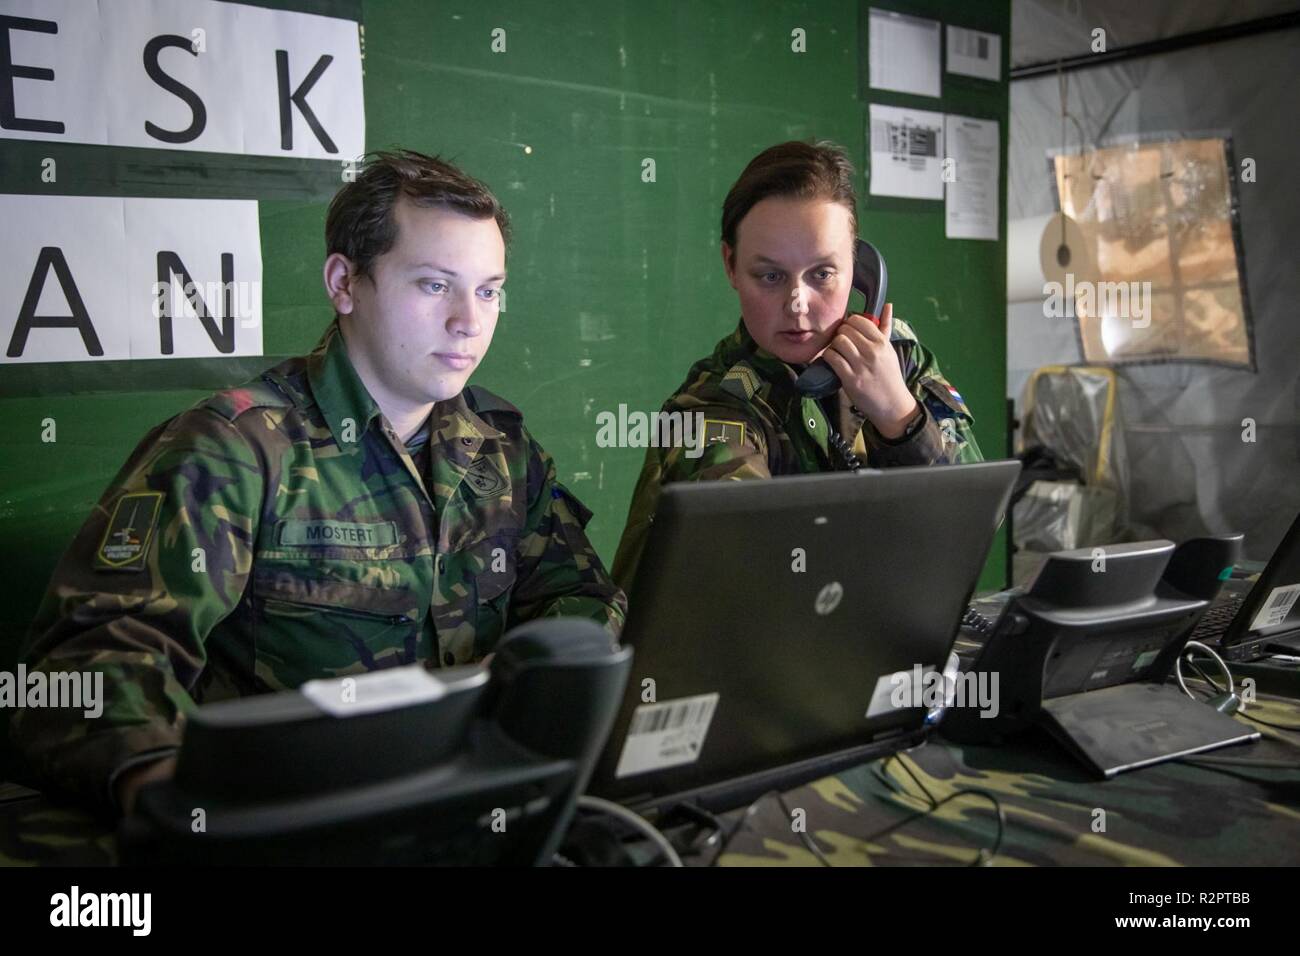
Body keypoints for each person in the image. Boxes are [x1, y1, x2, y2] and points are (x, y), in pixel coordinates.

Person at [11, 149, 626, 815]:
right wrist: (178, 800)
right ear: (344, 282)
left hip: (469, 810)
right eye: (433, 285)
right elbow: (92, 665)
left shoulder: (503, 450)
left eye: (487, 290)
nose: (469, 321)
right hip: (287, 819)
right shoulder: (234, 450)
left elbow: (579, 603)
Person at [612, 140, 983, 588]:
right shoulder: (709, 408)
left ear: (860, 270)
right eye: (770, 275)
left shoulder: (899, 358)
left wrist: (898, 415)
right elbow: (770, 574)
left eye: (823, 274)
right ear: (731, 265)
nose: (797, 304)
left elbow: (977, 521)